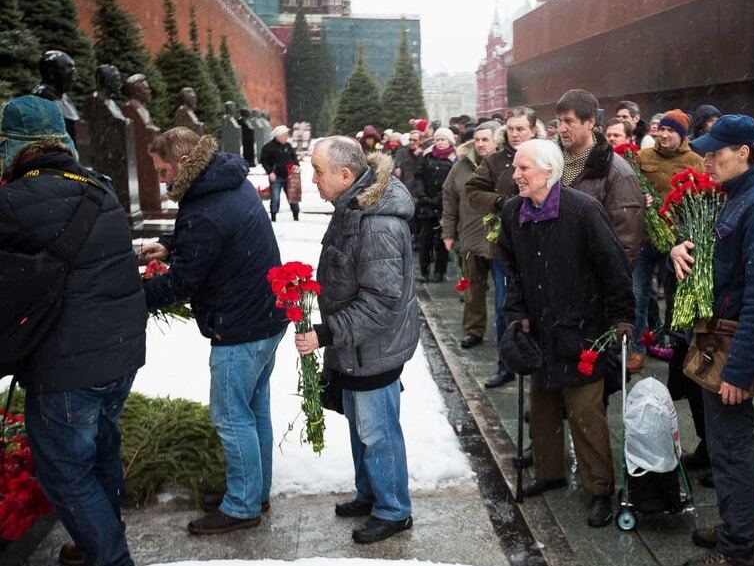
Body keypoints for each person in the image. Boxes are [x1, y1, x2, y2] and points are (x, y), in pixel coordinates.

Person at [0, 95, 146, 566]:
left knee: (66, 473)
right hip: (120, 356)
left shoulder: (13, 202)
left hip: (68, 368)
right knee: (101, 455)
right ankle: (104, 543)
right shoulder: (100, 189)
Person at [140, 128, 288, 535]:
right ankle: (253, 491)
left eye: (163, 168)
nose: (162, 178)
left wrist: (130, 296)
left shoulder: (205, 205)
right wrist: (172, 243)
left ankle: (242, 506)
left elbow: (182, 283)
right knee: (254, 409)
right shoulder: (224, 182)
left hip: (239, 328)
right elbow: (214, 237)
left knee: (230, 416)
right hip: (265, 317)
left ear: (185, 162)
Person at [669, 115, 754, 566]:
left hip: (733, 346)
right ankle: (742, 526)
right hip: (718, 336)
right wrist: (681, 247)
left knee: (732, 448)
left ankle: (740, 551)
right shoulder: (737, 196)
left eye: (715, 154)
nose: (706, 161)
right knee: (723, 446)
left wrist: (739, 371)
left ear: (744, 153)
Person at [497, 139, 634, 528]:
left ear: (548, 172)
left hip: (582, 329)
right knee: (542, 407)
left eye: (524, 169)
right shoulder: (513, 212)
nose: (516, 175)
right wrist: (517, 312)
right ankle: (550, 471)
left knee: (585, 411)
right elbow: (512, 268)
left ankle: (600, 488)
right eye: (516, 168)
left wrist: (622, 317)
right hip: (538, 328)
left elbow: (615, 267)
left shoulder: (583, 210)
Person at [295, 138, 419, 544]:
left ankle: (393, 509)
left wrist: (327, 332)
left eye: (318, 171)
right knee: (361, 425)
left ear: (346, 176)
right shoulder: (354, 206)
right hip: (356, 345)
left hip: (374, 347)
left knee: (377, 431)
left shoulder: (377, 222)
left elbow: (381, 301)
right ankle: (370, 494)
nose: (312, 179)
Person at [465, 107, 540, 389]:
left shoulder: (548, 154)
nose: (515, 133)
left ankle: (539, 367)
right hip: (505, 246)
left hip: (543, 243)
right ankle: (506, 364)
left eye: (521, 128)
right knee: (504, 306)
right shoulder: (496, 161)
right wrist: (499, 202)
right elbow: (472, 191)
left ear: (533, 129)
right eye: (511, 128)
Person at [629, 109, 703, 374]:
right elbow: (629, 188)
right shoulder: (642, 157)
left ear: (681, 135)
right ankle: (637, 349)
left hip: (677, 240)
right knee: (637, 294)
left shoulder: (694, 160)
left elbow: (701, 194)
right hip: (645, 237)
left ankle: (675, 345)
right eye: (662, 129)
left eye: (671, 130)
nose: (664, 134)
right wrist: (640, 198)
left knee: (675, 295)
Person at [554, 89, 644, 266]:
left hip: (591, 278)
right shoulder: (549, 162)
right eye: (559, 121)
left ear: (590, 122)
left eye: (568, 121)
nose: (561, 128)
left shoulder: (618, 172)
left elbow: (626, 240)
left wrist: (611, 286)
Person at [442, 122, 500, 349]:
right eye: (477, 140)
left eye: (486, 139)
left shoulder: (505, 164)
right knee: (472, 289)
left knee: (504, 292)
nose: (481, 144)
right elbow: (449, 199)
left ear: (496, 140)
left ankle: (507, 331)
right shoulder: (461, 167)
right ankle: (474, 330)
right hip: (471, 236)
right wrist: (448, 231)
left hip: (499, 239)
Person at [413, 127, 457, 282]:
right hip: (426, 206)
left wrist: (439, 197)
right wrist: (422, 195)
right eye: (437, 139)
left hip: (444, 207)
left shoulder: (454, 159)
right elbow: (418, 177)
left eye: (443, 139)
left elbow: (453, 183)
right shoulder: (427, 157)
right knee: (425, 241)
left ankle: (440, 271)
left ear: (449, 141)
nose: (440, 142)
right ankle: (424, 271)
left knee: (441, 241)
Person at [259, 125, 300, 222]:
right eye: (285, 135)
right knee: (275, 198)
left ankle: (296, 216)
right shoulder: (268, 147)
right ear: (278, 136)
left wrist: (296, 165)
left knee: (293, 198)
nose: (286, 137)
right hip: (276, 176)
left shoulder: (288, 146)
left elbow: (294, 158)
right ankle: (273, 217)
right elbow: (264, 161)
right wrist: (270, 172)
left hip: (289, 176)